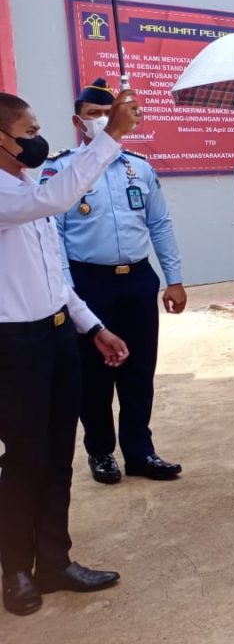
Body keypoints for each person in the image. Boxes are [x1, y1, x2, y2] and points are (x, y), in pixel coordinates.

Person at [0, 90, 137, 616]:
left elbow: (55, 276)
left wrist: (91, 326)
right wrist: (112, 135)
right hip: (16, 347)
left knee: (58, 456)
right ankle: (16, 569)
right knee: (24, 459)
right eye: (28, 133)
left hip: (58, 337)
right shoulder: (18, 196)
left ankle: (55, 562)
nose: (38, 140)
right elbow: (58, 199)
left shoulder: (30, 186)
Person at [47, 78, 185, 484]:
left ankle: (140, 452)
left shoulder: (138, 168)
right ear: (78, 122)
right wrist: (69, 293)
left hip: (137, 281)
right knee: (94, 374)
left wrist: (174, 278)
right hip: (89, 283)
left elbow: (160, 224)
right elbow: (54, 236)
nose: (103, 121)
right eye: (94, 115)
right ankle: (101, 451)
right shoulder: (63, 170)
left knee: (139, 370)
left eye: (109, 114)